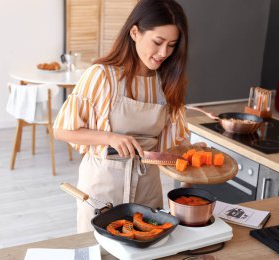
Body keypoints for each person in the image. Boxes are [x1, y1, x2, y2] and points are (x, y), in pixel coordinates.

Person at [54, 0, 192, 233]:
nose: (163, 53)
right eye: (157, 42)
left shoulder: (168, 83)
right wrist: (110, 138)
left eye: (171, 45)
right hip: (102, 189)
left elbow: (174, 148)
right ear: (135, 32)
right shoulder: (101, 76)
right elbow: (62, 130)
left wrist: (187, 193)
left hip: (148, 190)